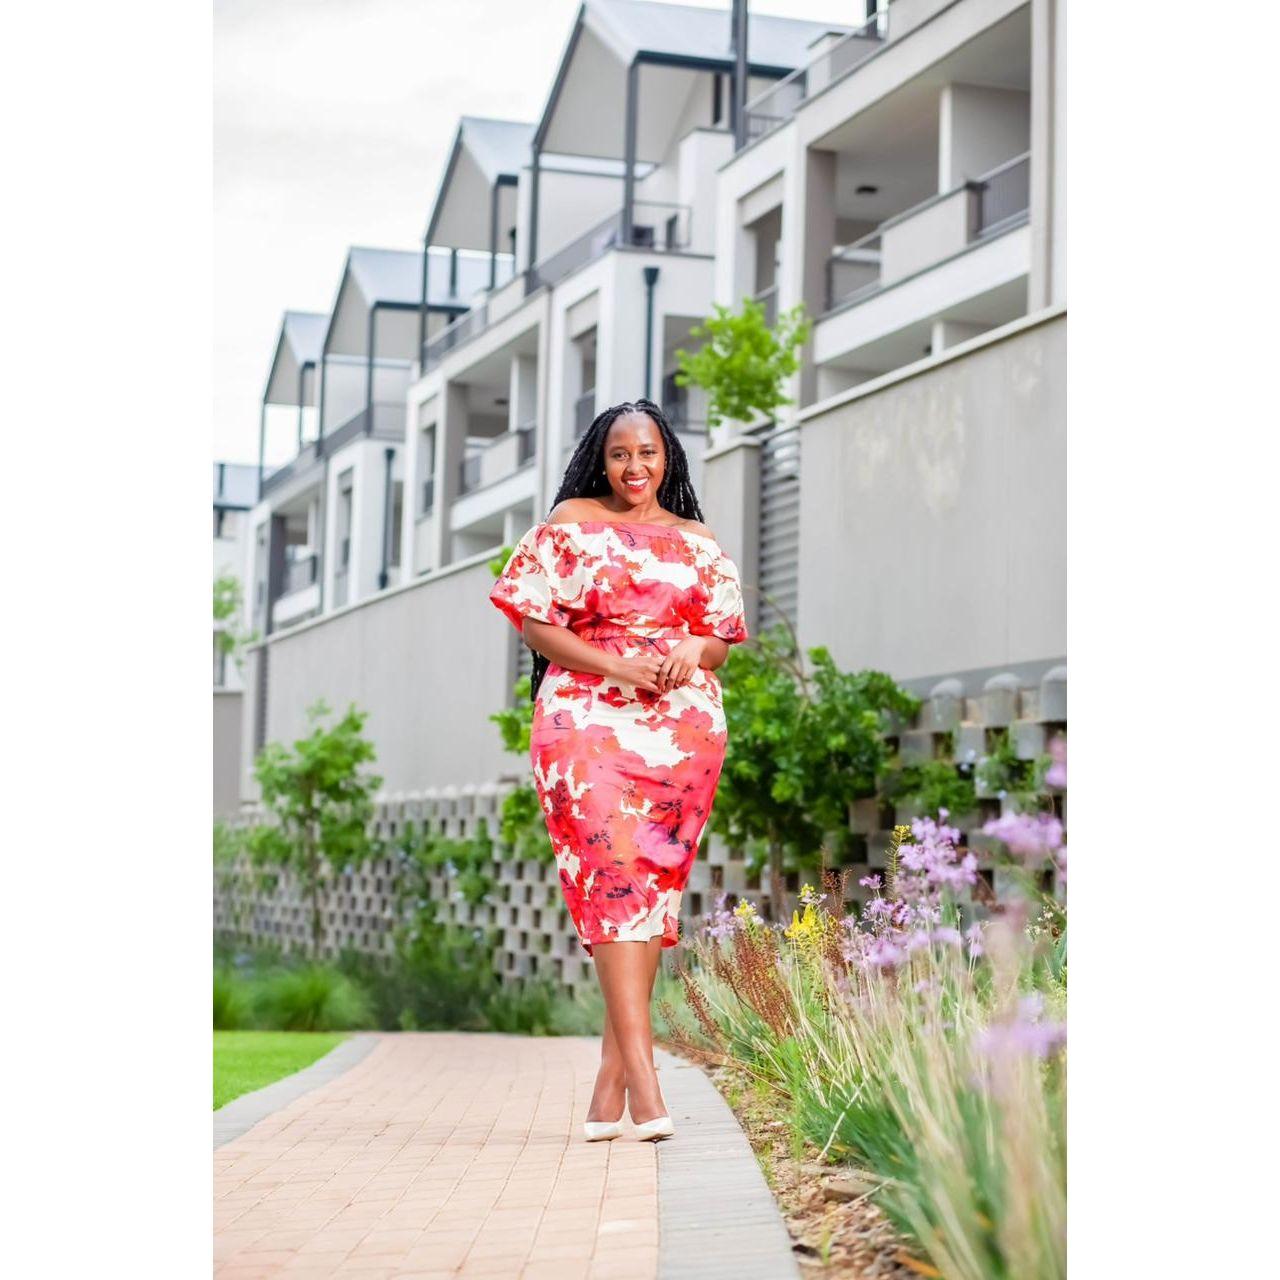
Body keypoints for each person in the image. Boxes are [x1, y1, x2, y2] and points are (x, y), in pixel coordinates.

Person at [489, 398, 748, 1142]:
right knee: (610, 880)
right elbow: (534, 621)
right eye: (619, 455)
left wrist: (693, 652)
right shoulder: (570, 522)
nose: (635, 468)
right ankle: (644, 1075)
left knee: (647, 890)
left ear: (669, 457)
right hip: (585, 720)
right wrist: (617, 667)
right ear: (600, 461)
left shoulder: (697, 540)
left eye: (648, 453)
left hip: (681, 728)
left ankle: (609, 1087)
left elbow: (720, 640)